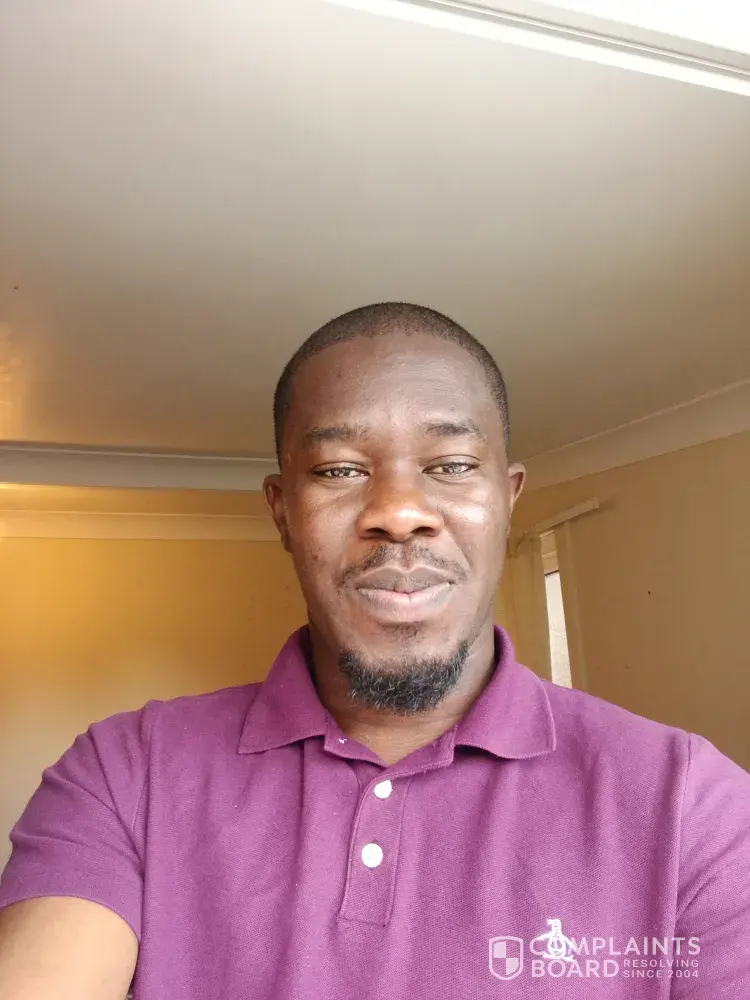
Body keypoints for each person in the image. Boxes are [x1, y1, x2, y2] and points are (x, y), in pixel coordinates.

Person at [0, 302, 748, 999]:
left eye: (452, 464)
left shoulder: (692, 806)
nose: (398, 512)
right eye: (339, 470)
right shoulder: (124, 773)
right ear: (282, 512)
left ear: (508, 498)